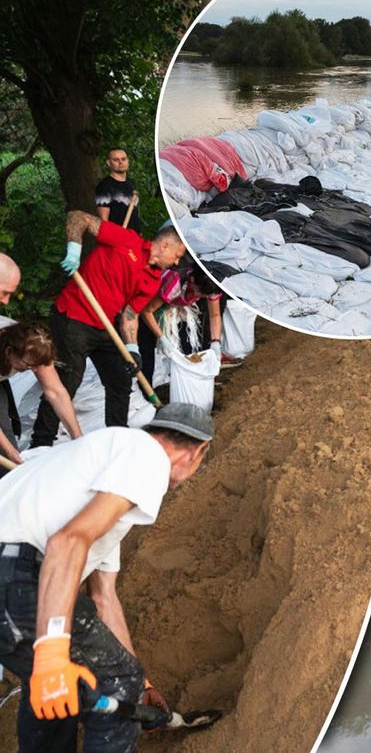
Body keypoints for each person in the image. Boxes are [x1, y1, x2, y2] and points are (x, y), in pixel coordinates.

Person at [0, 402, 213, 752]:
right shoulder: (146, 455)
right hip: (16, 575)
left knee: (57, 691)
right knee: (112, 681)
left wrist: (142, 684)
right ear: (197, 451)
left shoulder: (97, 476)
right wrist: (54, 650)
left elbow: (104, 598)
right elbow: (66, 542)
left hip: (12, 581)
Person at [30, 212, 185, 449]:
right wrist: (74, 249)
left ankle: (117, 437)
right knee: (68, 380)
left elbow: (131, 314)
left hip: (104, 326)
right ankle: (40, 444)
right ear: (165, 246)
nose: (176, 262)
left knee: (121, 379)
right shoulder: (126, 240)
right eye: (177, 255)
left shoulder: (154, 279)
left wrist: (132, 348)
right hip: (73, 317)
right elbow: (77, 217)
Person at [0, 323, 84, 467]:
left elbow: (56, 393)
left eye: (37, 365)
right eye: (28, 365)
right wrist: (10, 452)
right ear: (9, 352)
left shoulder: (36, 351)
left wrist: (79, 439)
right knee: (6, 453)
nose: (33, 370)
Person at [138, 260, 226, 384]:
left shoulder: (211, 284)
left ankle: (189, 385)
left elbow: (215, 315)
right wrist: (162, 338)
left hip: (178, 307)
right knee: (147, 354)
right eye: (199, 293)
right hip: (149, 306)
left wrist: (216, 342)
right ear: (192, 280)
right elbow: (147, 311)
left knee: (188, 351)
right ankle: (147, 393)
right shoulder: (175, 282)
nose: (201, 297)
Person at [96, 149, 142, 234]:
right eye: (116, 160)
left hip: (134, 236)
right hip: (117, 235)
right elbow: (103, 219)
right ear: (109, 163)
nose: (120, 162)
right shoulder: (105, 186)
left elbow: (135, 213)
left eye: (123, 159)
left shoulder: (131, 184)